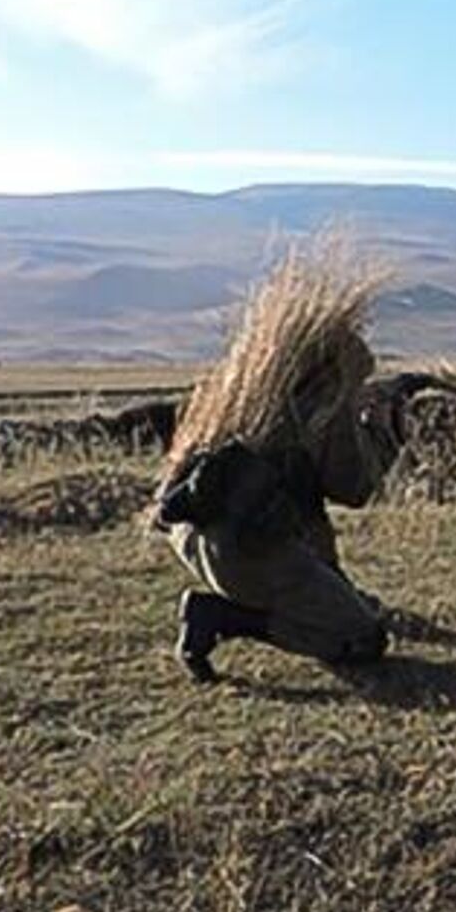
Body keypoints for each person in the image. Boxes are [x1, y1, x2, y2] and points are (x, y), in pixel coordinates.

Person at [153, 258, 402, 682]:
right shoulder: (325, 405)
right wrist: (385, 431)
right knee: (364, 638)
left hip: (193, 535)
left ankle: (279, 599)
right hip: (247, 551)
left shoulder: (247, 389)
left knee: (338, 592)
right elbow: (354, 489)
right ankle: (222, 617)